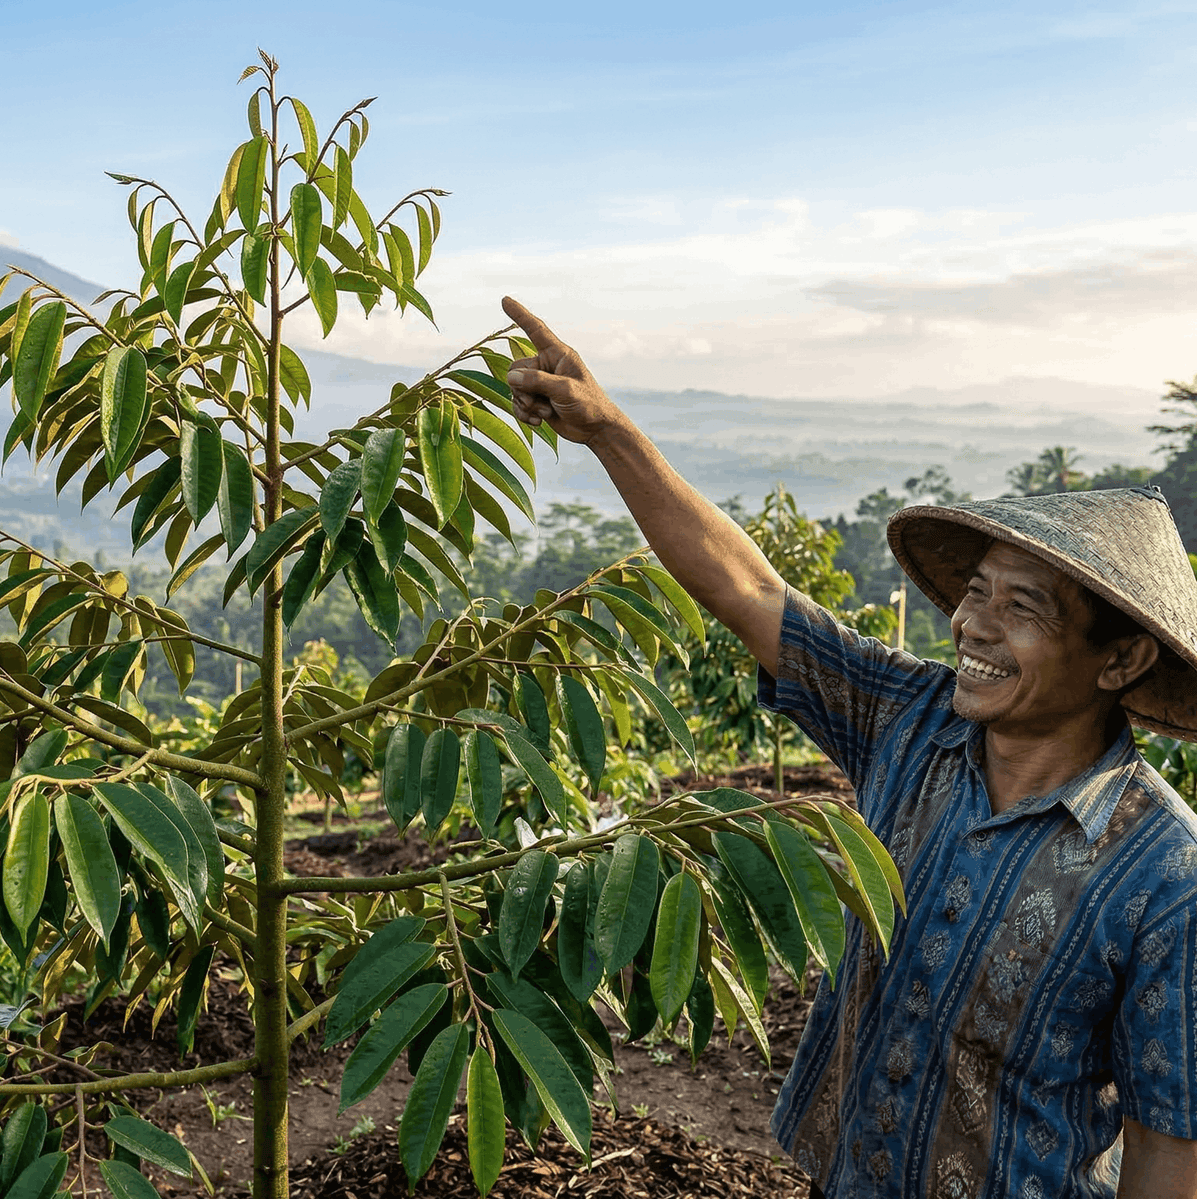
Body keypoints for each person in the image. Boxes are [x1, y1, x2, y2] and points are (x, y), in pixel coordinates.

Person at [499, 296, 1197, 1199]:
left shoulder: (1165, 879)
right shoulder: (911, 720)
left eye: (1021, 608)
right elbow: (749, 589)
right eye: (975, 591)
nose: (972, 624)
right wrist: (610, 431)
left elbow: (1169, 1148)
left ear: (1123, 657)